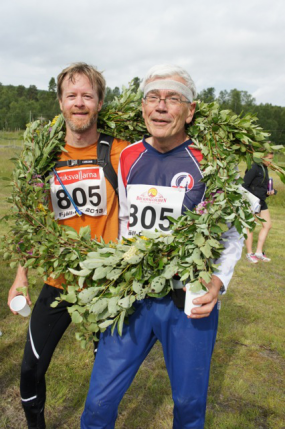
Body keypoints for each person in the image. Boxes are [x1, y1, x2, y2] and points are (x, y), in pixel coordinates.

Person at [81, 64, 244, 429]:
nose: (161, 107)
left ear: (191, 110)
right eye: (153, 98)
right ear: (142, 108)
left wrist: (218, 282)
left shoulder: (213, 162)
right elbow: (125, 221)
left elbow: (233, 232)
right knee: (98, 401)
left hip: (187, 300)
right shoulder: (127, 157)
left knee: (188, 405)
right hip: (133, 296)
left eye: (173, 99)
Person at [7, 62, 129, 429]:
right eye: (71, 95)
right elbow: (32, 221)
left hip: (106, 286)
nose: (79, 103)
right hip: (61, 282)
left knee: (105, 380)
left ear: (100, 103)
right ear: (60, 103)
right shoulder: (44, 158)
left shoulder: (120, 152)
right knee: (30, 369)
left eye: (87, 96)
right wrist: (20, 276)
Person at [243, 152, 275, 263]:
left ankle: (259, 252)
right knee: (250, 227)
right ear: (262, 157)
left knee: (267, 225)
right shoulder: (253, 167)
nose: (271, 162)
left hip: (262, 201)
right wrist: (250, 201)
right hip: (253, 202)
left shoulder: (265, 168)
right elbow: (244, 185)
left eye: (272, 159)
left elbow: (262, 186)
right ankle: (249, 253)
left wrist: (270, 191)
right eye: (269, 159)